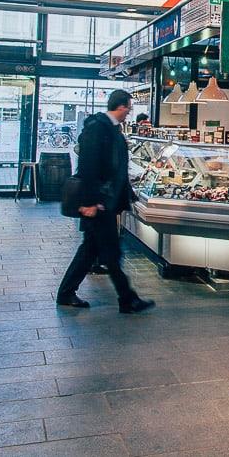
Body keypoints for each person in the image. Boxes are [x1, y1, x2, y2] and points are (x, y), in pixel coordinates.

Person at [57, 90, 155, 313]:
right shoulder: (98, 128)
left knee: (91, 250)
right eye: (128, 107)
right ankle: (127, 298)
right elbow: (89, 166)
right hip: (99, 202)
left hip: (105, 201)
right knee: (110, 252)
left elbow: (116, 167)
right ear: (120, 106)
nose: (130, 111)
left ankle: (66, 293)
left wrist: (126, 192)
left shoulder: (110, 129)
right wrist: (91, 201)